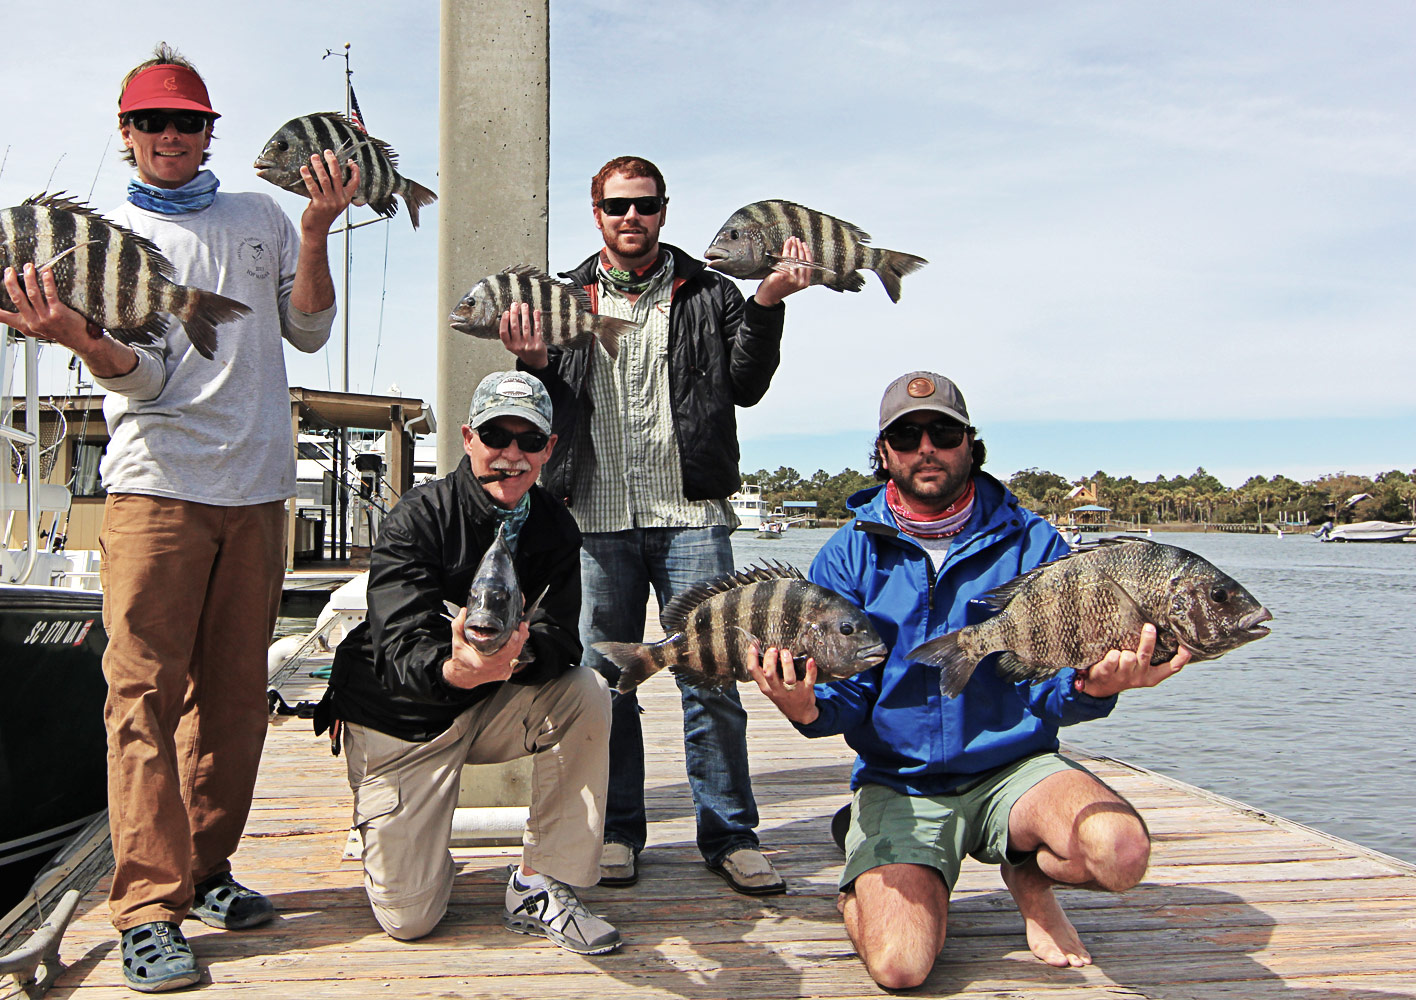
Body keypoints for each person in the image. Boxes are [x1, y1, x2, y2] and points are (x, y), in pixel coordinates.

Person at [0, 44, 358, 993]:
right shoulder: (88, 238)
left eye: (187, 122)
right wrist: (77, 336)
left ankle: (208, 868)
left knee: (234, 698)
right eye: (152, 122)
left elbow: (308, 329)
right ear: (127, 134)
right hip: (155, 489)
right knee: (140, 695)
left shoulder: (262, 217)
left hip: (260, 490)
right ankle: (148, 905)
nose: (171, 138)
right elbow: (145, 380)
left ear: (208, 132)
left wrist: (314, 231)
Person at [746, 371, 1189, 989]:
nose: (925, 447)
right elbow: (846, 697)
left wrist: (1096, 687)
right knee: (900, 966)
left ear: (969, 444)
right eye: (906, 436)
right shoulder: (848, 552)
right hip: (900, 781)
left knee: (1120, 852)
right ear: (884, 454)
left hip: (1017, 768)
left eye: (943, 432)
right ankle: (870, 862)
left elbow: (1046, 681)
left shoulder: (1034, 540)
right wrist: (805, 707)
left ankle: (1028, 879)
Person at [497, 155, 816, 893]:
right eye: (616, 206)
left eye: (643, 205)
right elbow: (545, 407)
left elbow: (747, 385)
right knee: (606, 682)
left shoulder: (712, 292)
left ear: (663, 211)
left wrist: (767, 300)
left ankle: (730, 834)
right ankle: (618, 831)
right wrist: (535, 362)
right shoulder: (561, 296)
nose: (630, 218)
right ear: (597, 213)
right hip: (595, 517)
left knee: (713, 679)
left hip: (692, 515)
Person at [314, 371, 621, 955]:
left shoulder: (555, 526)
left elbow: (562, 640)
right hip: (404, 721)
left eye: (529, 440)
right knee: (411, 919)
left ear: (548, 449)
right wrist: (455, 667)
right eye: (495, 436)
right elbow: (399, 646)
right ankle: (410, 845)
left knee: (586, 690)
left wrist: (515, 654)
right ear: (467, 438)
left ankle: (539, 883)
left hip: (490, 702)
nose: (511, 455)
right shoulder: (417, 517)